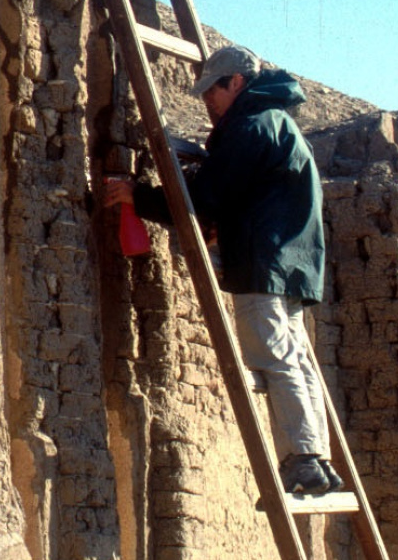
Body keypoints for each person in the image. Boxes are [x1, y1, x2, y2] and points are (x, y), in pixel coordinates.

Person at [102, 43, 344, 499]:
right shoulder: (278, 123)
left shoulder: (251, 126)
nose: (207, 102)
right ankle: (316, 458)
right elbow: (245, 196)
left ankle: (303, 459)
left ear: (237, 83)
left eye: (213, 91)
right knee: (296, 360)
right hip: (293, 265)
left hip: (263, 264)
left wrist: (140, 196)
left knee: (273, 358)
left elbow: (203, 198)